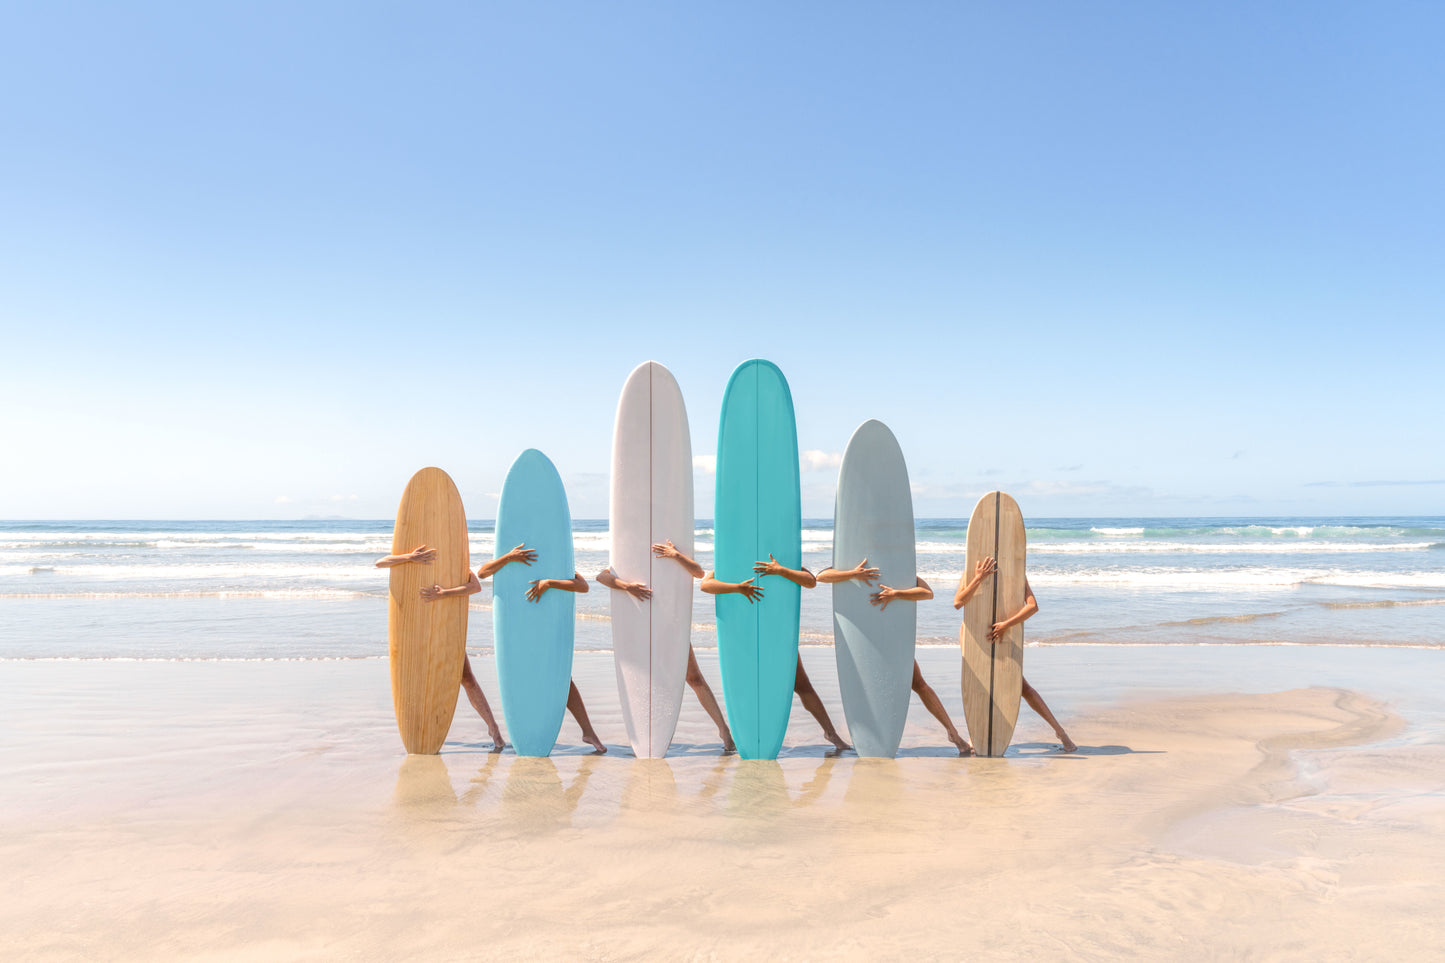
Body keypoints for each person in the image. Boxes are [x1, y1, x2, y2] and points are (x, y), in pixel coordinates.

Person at [381, 542, 608, 754]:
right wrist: (508, 557)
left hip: (534, 624)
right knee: (458, 679)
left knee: (557, 678)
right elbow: (482, 573)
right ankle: (504, 732)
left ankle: (575, 732)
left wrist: (548, 583)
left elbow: (582, 585)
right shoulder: (423, 563)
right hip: (502, 627)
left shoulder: (557, 560)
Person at [700, 549, 851, 752]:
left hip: (778, 631)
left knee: (802, 685)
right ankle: (749, 739)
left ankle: (830, 733)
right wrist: (737, 588)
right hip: (745, 634)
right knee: (750, 687)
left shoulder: (781, 552)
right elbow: (706, 584)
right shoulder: (734, 555)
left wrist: (780, 570)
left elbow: (810, 581)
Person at [598, 546, 737, 752]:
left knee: (694, 678)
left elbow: (699, 573)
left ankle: (724, 731)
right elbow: (601, 576)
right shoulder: (631, 549)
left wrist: (676, 555)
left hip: (672, 625)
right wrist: (626, 586)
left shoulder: (672, 548)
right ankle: (654, 737)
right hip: (641, 626)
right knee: (647, 679)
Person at [845, 557, 974, 755]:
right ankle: (874, 741)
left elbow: (927, 593)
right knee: (871, 689)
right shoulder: (851, 564)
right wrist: (852, 574)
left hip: (893, 640)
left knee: (919, 684)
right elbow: (822, 576)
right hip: (865, 640)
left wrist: (897, 593)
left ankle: (953, 733)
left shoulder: (898, 573)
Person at [953, 555, 1076, 753]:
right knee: (979, 687)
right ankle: (974, 737)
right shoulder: (970, 572)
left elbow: (1032, 606)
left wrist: (1006, 625)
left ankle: (1061, 733)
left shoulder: (1017, 574)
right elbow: (958, 602)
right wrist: (979, 577)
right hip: (974, 637)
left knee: (1022, 687)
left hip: (1003, 636)